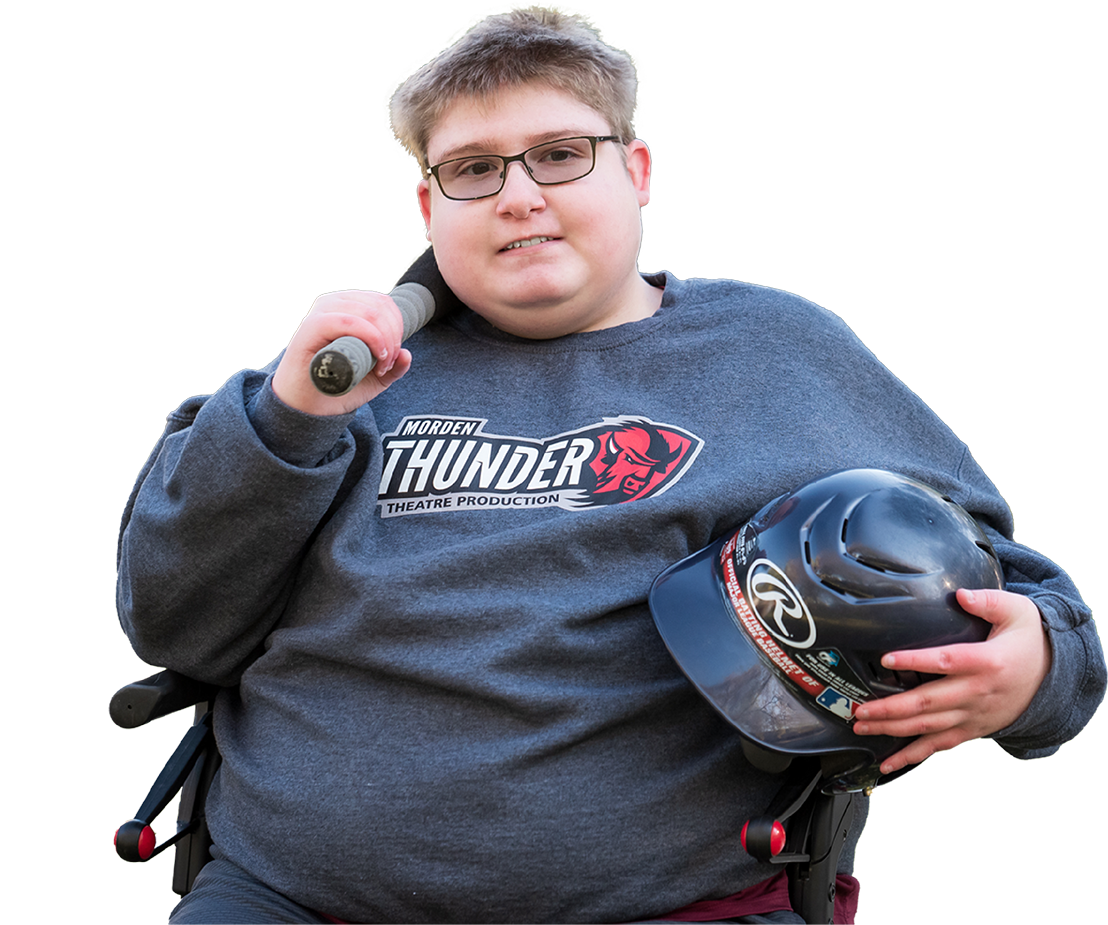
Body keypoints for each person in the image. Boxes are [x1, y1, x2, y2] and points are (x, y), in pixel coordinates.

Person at [115, 6, 1106, 924]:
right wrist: (283, 422)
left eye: (557, 155)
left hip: (665, 903)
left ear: (634, 171)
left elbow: (1030, 604)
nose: (517, 196)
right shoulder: (331, 375)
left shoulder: (777, 353)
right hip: (292, 897)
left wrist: (1030, 672)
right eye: (473, 170)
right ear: (428, 203)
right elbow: (170, 621)